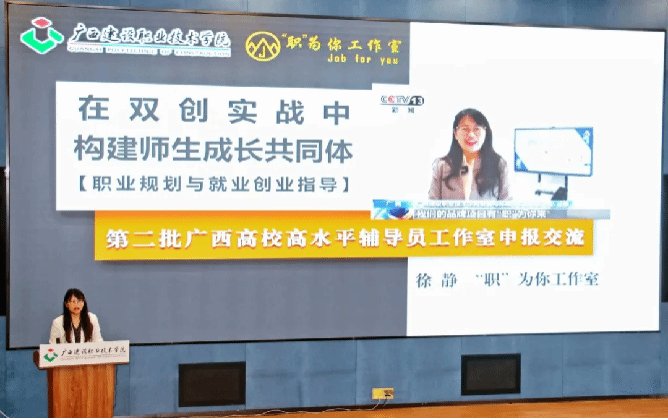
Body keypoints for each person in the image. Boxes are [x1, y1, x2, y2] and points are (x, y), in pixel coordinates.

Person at [428, 108, 511, 200]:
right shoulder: (441, 166)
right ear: (455, 134)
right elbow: (432, 204)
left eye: (476, 129)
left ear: (486, 133)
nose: (471, 135)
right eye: (465, 129)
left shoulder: (499, 165)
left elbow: (507, 204)